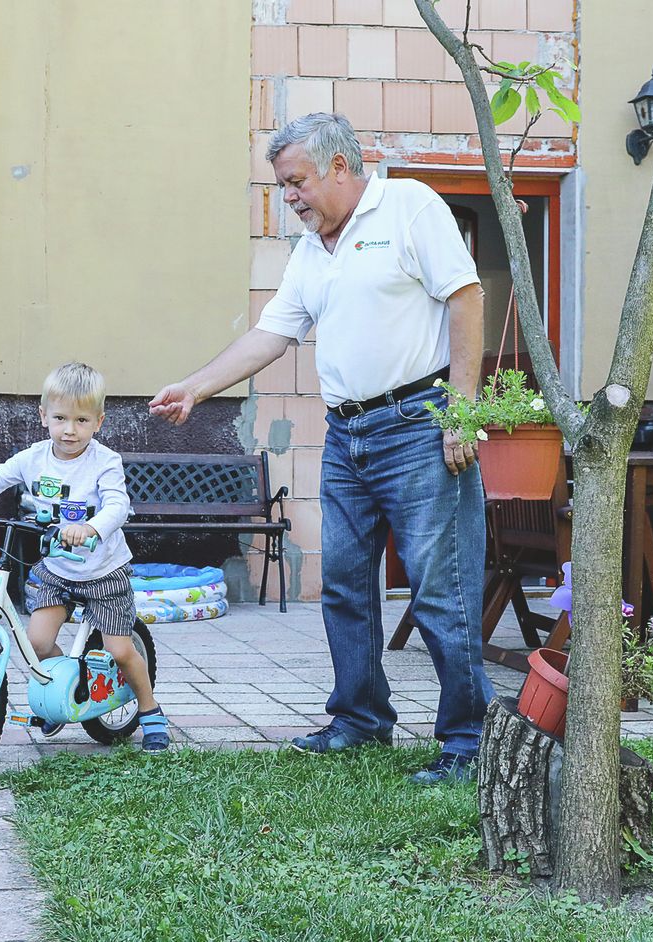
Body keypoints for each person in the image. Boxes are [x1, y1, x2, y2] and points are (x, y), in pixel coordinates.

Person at [149, 113, 493, 783]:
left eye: (298, 182)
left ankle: (468, 741)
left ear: (341, 167)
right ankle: (362, 721)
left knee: (439, 590)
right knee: (343, 585)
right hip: (348, 435)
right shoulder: (310, 252)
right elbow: (270, 335)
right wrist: (195, 387)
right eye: (283, 187)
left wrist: (463, 411)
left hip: (419, 425)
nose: (292, 198)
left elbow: (466, 297)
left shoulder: (409, 206)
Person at [0, 362, 170, 753]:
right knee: (38, 643)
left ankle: (149, 710)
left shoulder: (104, 461)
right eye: (60, 418)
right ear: (43, 416)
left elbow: (117, 505)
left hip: (102, 571)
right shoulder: (34, 458)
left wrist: (91, 528)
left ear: (99, 422)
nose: (69, 430)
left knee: (120, 650)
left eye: (81, 420)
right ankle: (66, 686)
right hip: (58, 570)